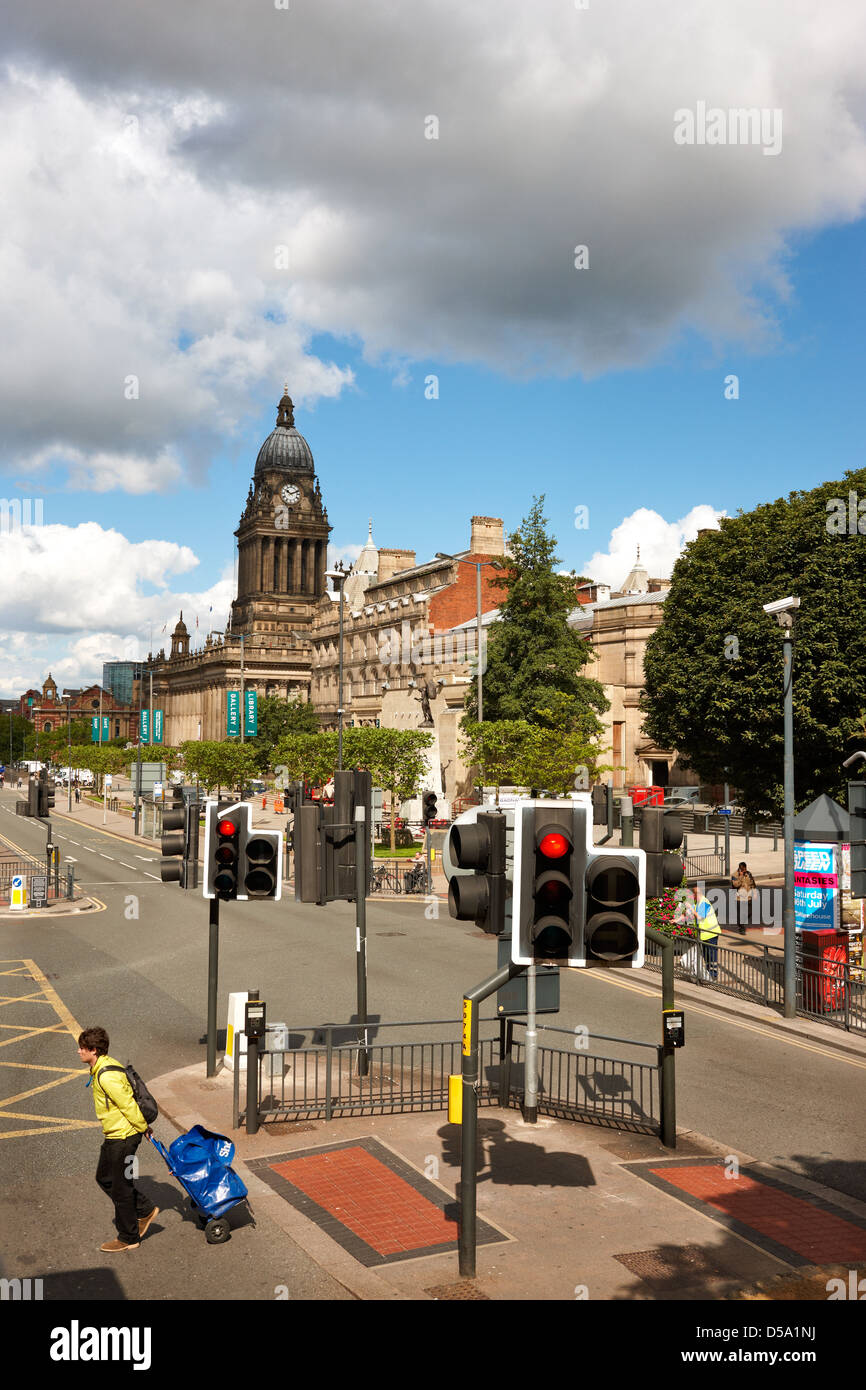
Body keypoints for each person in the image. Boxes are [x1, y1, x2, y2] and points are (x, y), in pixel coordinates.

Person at [78, 1026, 158, 1253]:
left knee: (121, 1188)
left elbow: (128, 1105)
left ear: (93, 1050)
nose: (79, 1052)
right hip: (114, 1134)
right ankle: (144, 1210)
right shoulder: (100, 1066)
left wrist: (144, 1128)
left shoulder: (107, 1075)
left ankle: (128, 1237)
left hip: (124, 1137)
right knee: (104, 1177)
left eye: (82, 1048)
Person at [694, 891, 721, 980]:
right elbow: (688, 914)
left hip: (711, 933)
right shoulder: (697, 903)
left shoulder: (704, 902)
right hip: (705, 934)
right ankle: (708, 972)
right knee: (706, 954)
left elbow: (700, 917)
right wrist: (676, 920)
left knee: (712, 954)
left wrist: (691, 909)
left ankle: (713, 974)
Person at [731, 861, 757, 936]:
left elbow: (752, 883)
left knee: (749, 913)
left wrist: (754, 893)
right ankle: (741, 928)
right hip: (739, 898)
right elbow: (736, 885)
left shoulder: (748, 874)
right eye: (743, 870)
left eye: (745, 869)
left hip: (748, 897)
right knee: (740, 914)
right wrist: (741, 876)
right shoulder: (734, 875)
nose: (744, 871)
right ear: (740, 869)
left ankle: (741, 922)